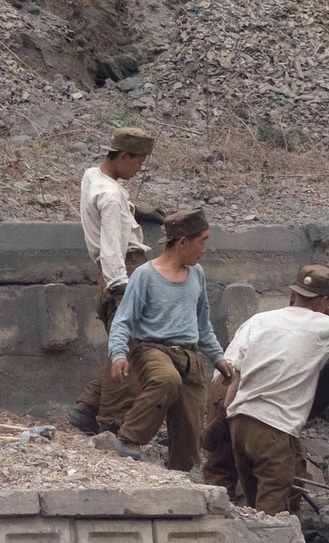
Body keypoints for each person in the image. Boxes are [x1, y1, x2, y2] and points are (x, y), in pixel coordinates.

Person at [201, 290, 329, 504]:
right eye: (328, 313)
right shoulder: (316, 327)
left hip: (241, 388)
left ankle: (258, 518)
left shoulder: (269, 319)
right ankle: (224, 516)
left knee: (287, 467)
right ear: (317, 306)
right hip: (232, 385)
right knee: (223, 463)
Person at [108, 207, 233, 471]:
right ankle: (130, 437)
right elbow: (123, 320)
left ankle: (183, 476)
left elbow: (203, 325)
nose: (204, 249)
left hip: (189, 356)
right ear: (183, 242)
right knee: (166, 380)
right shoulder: (145, 275)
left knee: (191, 428)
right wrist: (118, 353)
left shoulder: (196, 274)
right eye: (202, 241)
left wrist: (219, 358)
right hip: (153, 351)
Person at [69, 127, 165, 435]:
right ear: (123, 156)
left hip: (115, 270)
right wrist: (122, 292)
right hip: (124, 270)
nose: (138, 170)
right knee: (130, 350)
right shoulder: (110, 197)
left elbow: (107, 207)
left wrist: (135, 208)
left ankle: (86, 407)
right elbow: (112, 250)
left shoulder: (93, 177)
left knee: (122, 345)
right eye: (138, 162)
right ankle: (111, 423)